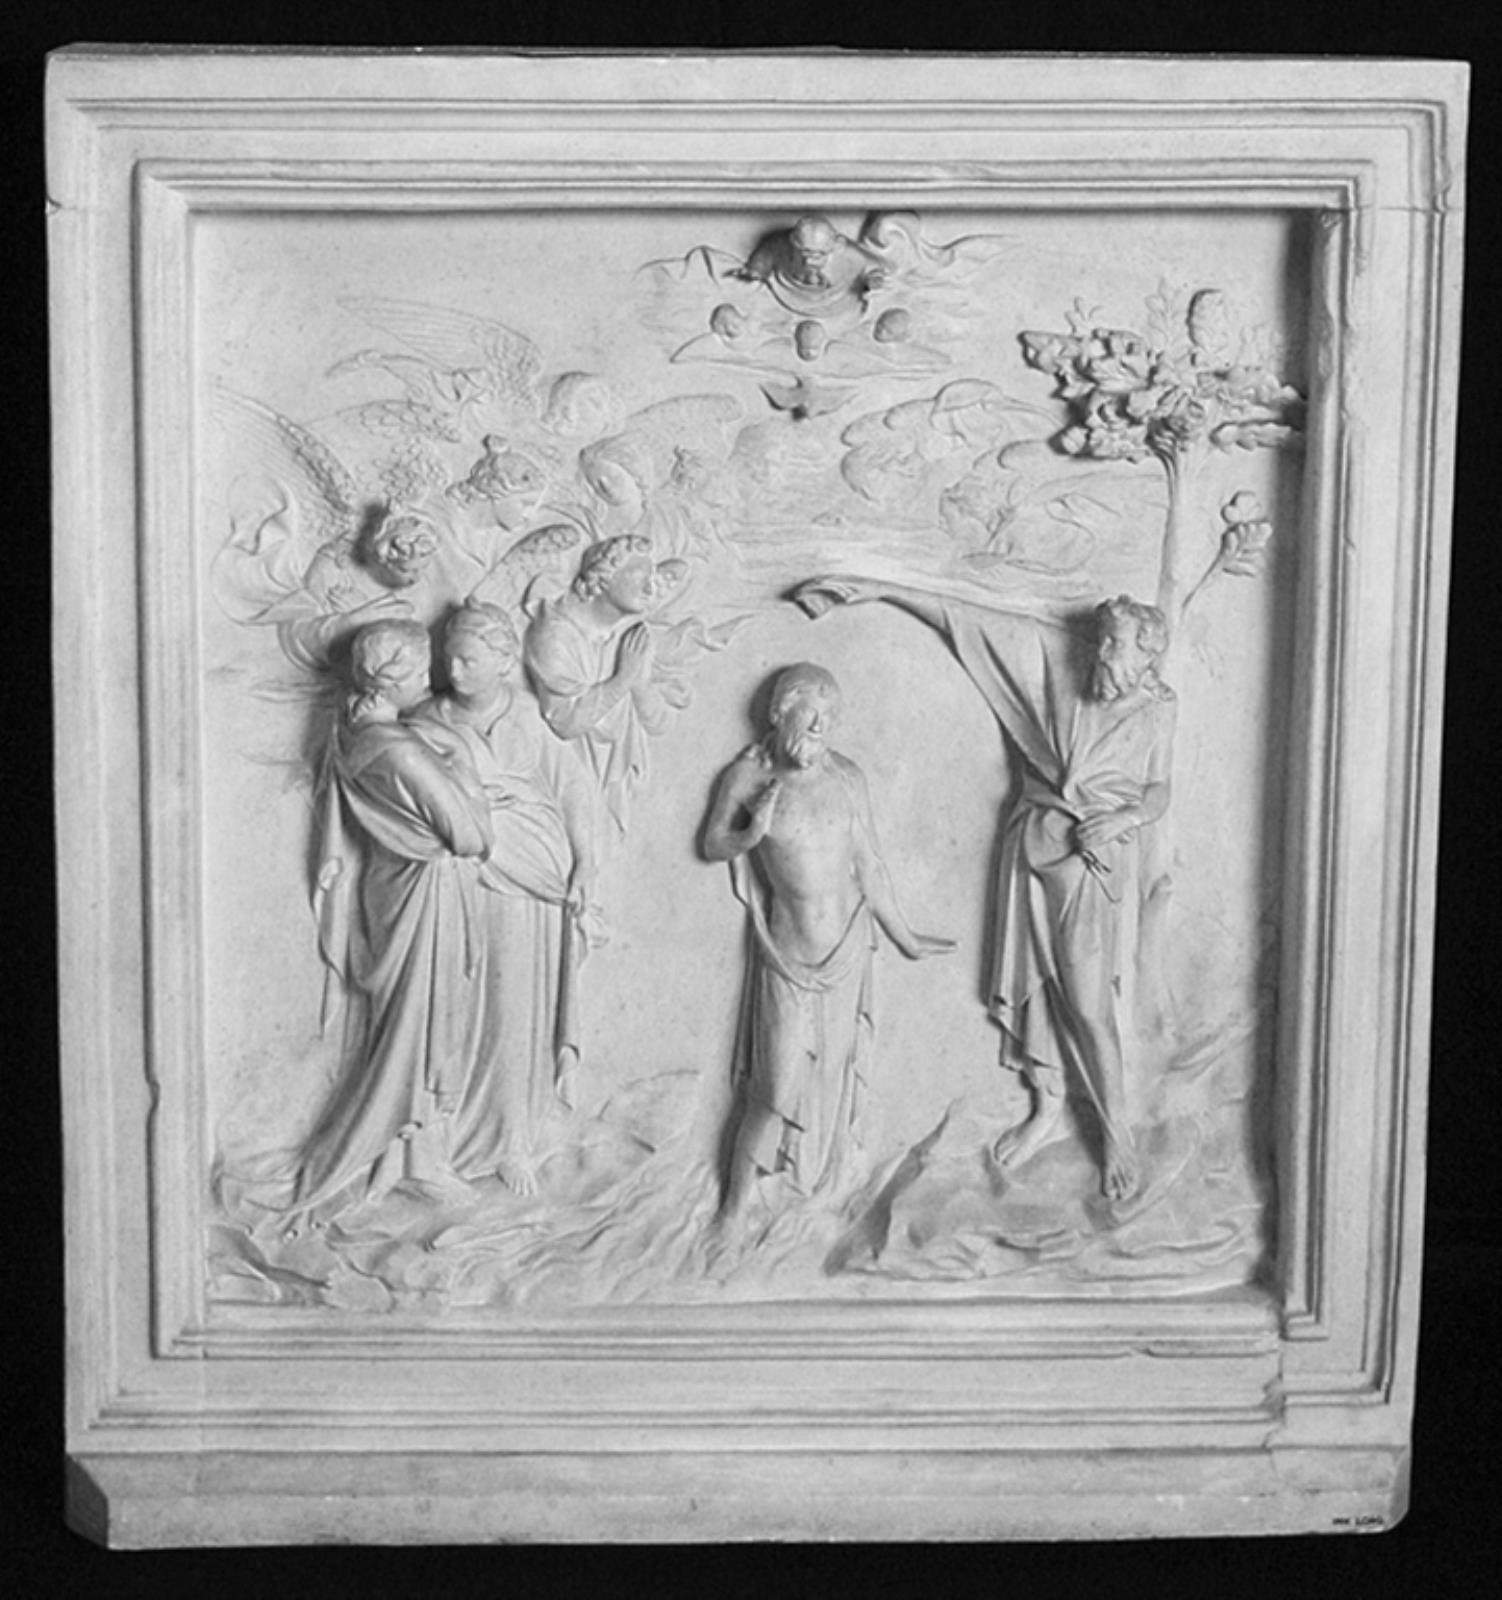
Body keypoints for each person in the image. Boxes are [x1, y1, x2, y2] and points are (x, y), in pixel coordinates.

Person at [795, 578, 1175, 1202]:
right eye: (1102, 641)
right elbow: (965, 618)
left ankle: (1117, 1135)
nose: (1101, 654)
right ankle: (1047, 1106)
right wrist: (875, 590)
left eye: (1115, 645)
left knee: (1087, 1002)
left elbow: (1159, 791)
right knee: (1037, 989)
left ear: (1145, 654)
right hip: (1033, 846)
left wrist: (1125, 818)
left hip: (1092, 862)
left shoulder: (1157, 708)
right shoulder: (1064, 669)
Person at [702, 663, 953, 1222]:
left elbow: (870, 865)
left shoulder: (846, 778)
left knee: (834, 1077)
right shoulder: (748, 778)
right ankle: (732, 1213)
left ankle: (813, 1199)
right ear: (779, 712)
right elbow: (713, 843)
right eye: (809, 715)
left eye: (829, 718)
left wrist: (905, 936)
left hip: (847, 949)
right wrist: (750, 832)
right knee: (775, 1090)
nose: (820, 727)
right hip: (787, 957)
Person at [290, 619, 493, 1224]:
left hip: (391, 892)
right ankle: (383, 1151)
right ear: (393, 678)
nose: (431, 680)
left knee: (417, 1027)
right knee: (419, 1029)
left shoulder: (353, 733)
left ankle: (418, 1157)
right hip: (424, 902)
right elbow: (472, 836)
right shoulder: (402, 753)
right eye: (422, 669)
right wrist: (463, 768)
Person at [412, 603, 597, 1194]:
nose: (455, 671)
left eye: (469, 659)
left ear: (503, 660)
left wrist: (586, 862)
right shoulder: (425, 721)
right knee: (457, 1009)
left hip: (534, 885)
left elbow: (573, 790)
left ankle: (512, 1141)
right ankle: (441, 1141)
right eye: (449, 659)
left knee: (518, 1011)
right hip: (463, 881)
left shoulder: (525, 715)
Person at [522, 535, 666, 834]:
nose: (650, 589)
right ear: (604, 577)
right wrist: (622, 680)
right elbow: (565, 723)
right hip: (565, 790)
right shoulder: (555, 636)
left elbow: (658, 721)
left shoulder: (630, 637)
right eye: (639, 578)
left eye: (652, 579)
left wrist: (638, 682)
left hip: (612, 787)